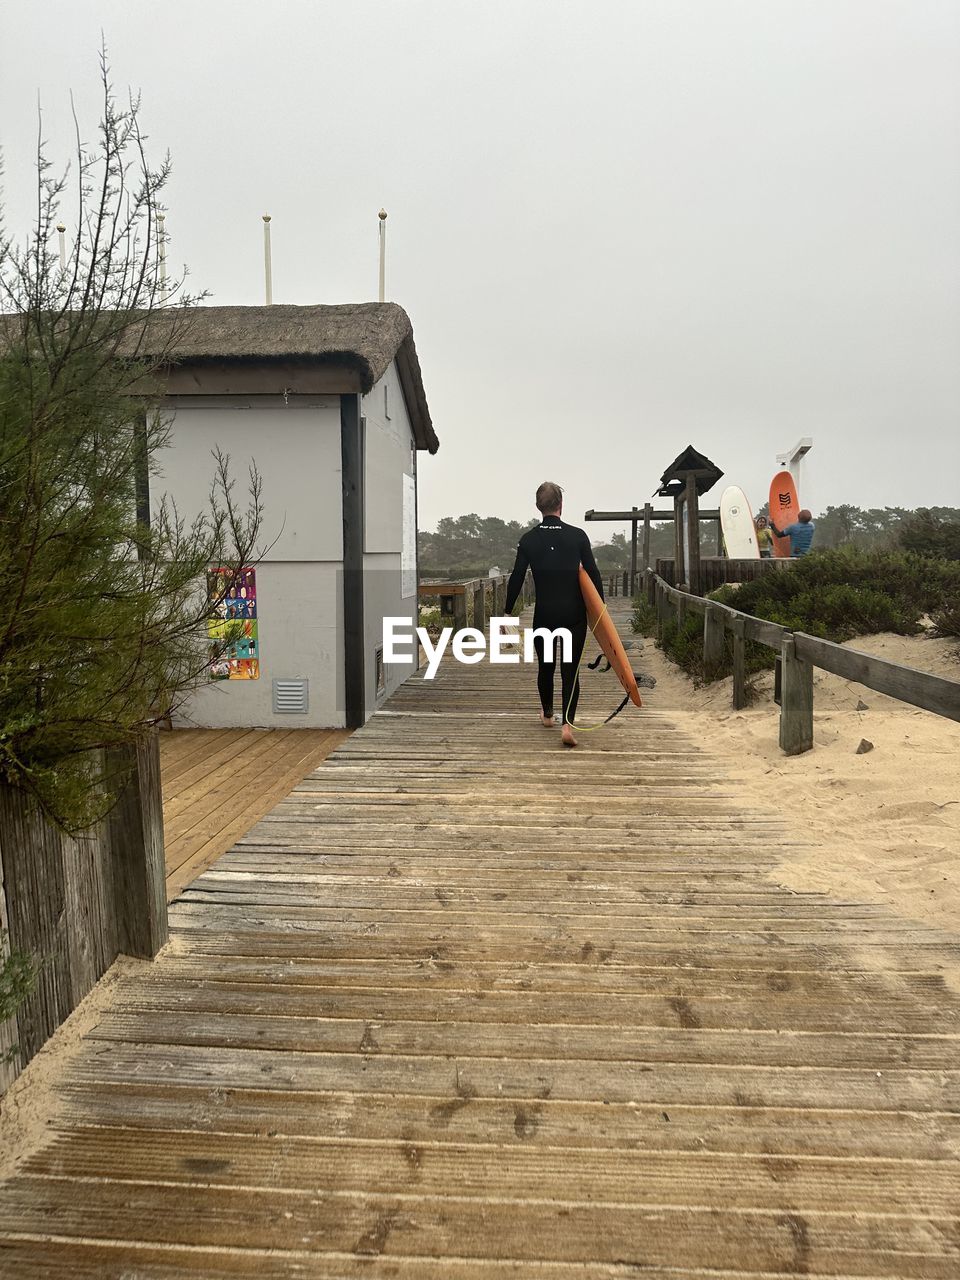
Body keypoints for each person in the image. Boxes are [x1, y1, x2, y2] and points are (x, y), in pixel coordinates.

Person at [504, 481, 604, 748]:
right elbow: (593, 574)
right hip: (574, 616)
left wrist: (507, 611)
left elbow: (516, 578)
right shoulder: (578, 536)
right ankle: (567, 725)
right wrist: (600, 612)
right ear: (561, 504)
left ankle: (548, 714)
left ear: (538, 506)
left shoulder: (528, 540)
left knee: (546, 667)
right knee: (570, 671)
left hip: (544, 615)